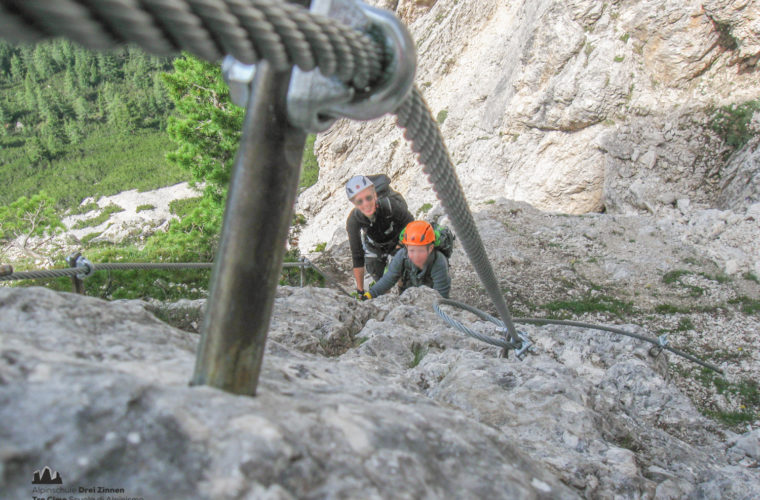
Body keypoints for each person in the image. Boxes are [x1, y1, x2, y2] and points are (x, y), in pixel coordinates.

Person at [345, 174, 414, 296]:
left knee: (402, 271)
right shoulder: (354, 220)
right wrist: (360, 291)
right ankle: (385, 297)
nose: (366, 204)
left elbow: (410, 223)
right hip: (374, 245)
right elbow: (357, 256)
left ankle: (403, 290)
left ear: (375, 195)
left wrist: (401, 244)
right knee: (378, 276)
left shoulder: (389, 205)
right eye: (360, 201)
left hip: (397, 240)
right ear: (354, 204)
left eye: (368, 198)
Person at [363, 220, 451, 299]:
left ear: (430, 248)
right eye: (412, 250)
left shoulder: (439, 261)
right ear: (406, 247)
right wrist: (370, 295)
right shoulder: (402, 255)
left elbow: (441, 296)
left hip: (430, 297)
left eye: (421, 250)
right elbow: (388, 279)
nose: (416, 255)